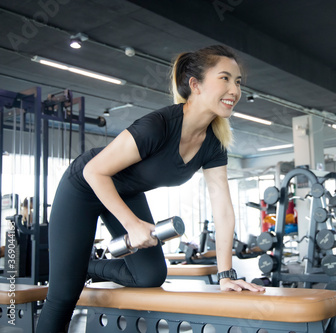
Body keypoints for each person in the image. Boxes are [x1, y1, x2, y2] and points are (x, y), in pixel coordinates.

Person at [36, 44, 265, 333]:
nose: (235, 90)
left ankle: (82, 266)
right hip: (84, 186)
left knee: (150, 275)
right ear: (195, 85)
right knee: (63, 295)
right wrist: (131, 225)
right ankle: (70, 272)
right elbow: (94, 171)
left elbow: (223, 209)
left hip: (125, 191)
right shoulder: (158, 126)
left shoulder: (213, 143)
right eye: (225, 78)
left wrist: (226, 274)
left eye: (238, 81)